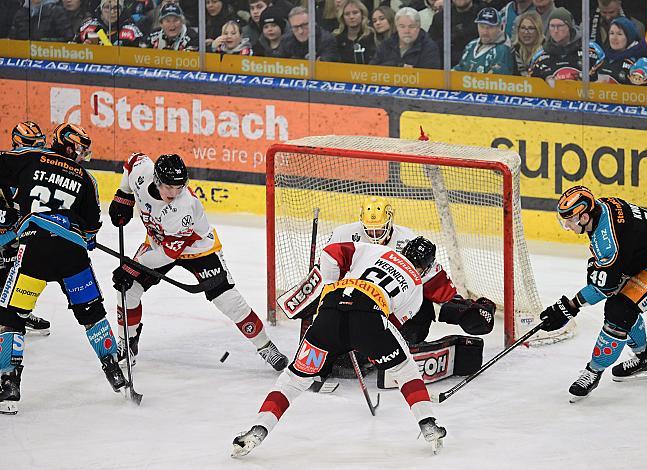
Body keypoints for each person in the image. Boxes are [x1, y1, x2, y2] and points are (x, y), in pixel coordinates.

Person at [231, 237, 447, 458]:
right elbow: (392, 324)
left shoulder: (374, 250)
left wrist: (329, 289)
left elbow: (331, 253)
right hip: (370, 317)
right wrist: (364, 344)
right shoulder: (417, 286)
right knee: (404, 370)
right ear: (426, 267)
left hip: (329, 312)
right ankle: (428, 423)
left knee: (293, 380)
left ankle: (259, 428)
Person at [107, 153, 288, 371]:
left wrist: (132, 266)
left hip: (197, 249)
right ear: (155, 179)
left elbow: (167, 256)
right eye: (168, 187)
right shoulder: (142, 172)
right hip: (158, 243)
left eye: (179, 187)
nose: (174, 193)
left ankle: (265, 347)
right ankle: (127, 343)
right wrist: (123, 195)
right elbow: (132, 161)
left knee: (228, 301)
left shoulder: (183, 207)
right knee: (127, 289)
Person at [0, 123, 127, 414]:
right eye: (81, 149)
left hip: (34, 248)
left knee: (11, 314)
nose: (83, 155)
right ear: (69, 147)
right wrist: (86, 238)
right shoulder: (86, 178)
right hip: (72, 252)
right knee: (92, 313)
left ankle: (9, 382)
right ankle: (114, 371)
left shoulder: (32, 157)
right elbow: (92, 228)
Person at [539, 186, 647, 402]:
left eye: (570, 220)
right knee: (624, 302)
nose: (568, 226)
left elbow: (604, 288)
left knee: (619, 309)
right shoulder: (601, 207)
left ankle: (593, 371)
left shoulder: (610, 240)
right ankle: (645, 357)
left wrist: (570, 307)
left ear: (584, 216)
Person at [324, 197, 496, 347]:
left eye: (379, 229)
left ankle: (405, 340)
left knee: (422, 302)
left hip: (389, 301)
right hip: (352, 297)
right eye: (370, 230)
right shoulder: (343, 234)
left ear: (390, 222)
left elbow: (430, 275)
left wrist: (459, 307)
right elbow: (326, 268)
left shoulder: (406, 240)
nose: (375, 235)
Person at [0, 122, 53, 336]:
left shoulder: (36, 167)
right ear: (17, 143)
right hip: (6, 231)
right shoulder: (5, 165)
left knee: (30, 270)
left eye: (39, 144)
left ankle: (19, 312)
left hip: (22, 230)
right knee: (6, 270)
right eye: (32, 144)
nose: (37, 149)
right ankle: (7, 320)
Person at [528, 7, 605, 84]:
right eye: (552, 26)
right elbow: (531, 86)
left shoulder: (591, 50)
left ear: (569, 27)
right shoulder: (539, 57)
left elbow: (605, 79)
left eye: (560, 26)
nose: (555, 31)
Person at [370, 7, 441, 68]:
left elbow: (430, 76)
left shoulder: (429, 47)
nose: (407, 31)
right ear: (396, 27)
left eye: (411, 26)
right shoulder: (386, 45)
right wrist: (398, 66)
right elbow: (372, 69)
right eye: (402, 26)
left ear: (419, 27)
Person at [453, 7, 514, 74]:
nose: (485, 32)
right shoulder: (471, 45)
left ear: (500, 27)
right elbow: (460, 67)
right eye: (482, 26)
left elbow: (495, 80)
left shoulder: (503, 51)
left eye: (490, 27)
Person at [597, 16, 647, 85]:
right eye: (611, 33)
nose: (614, 38)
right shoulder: (603, 55)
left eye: (619, 34)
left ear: (629, 37)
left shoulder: (639, 60)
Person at [428, 0, 482, 66]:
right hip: (444, 67)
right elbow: (432, 45)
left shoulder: (482, 16)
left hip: (475, 67)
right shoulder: (440, 17)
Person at [76, 0, 144, 46]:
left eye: (116, 8)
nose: (112, 12)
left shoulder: (131, 31)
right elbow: (73, 48)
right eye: (107, 7)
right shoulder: (88, 27)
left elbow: (140, 55)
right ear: (100, 9)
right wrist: (83, 48)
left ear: (122, 10)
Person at [9, 0, 74, 41]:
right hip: (22, 57)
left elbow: (68, 38)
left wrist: (44, 41)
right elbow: (12, 39)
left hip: (49, 55)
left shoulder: (57, 12)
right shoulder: (21, 13)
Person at [511, 10, 544, 75]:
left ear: (538, 31)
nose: (526, 32)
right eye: (523, 28)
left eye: (531, 28)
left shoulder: (546, 51)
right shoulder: (512, 51)